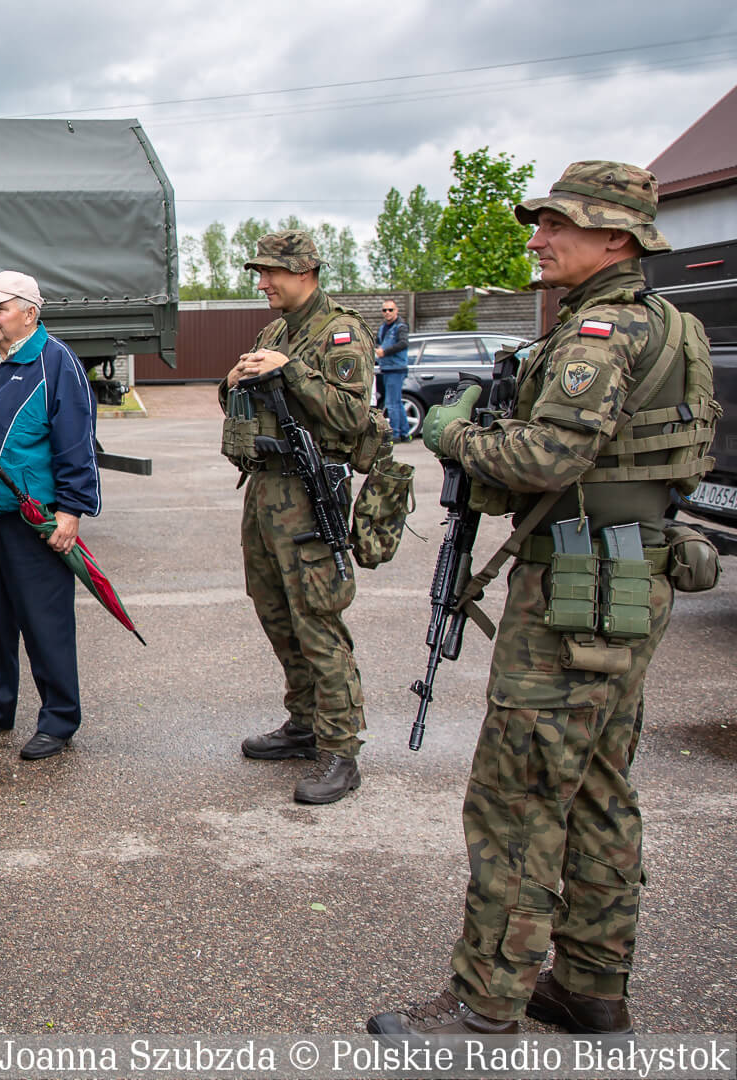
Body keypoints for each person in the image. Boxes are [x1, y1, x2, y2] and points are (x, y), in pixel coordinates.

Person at [369, 161, 712, 1037]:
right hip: (628, 579)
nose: (539, 237)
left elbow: (544, 462)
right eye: (542, 222)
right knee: (597, 787)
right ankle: (593, 986)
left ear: (618, 239)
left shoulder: (600, 334)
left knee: (517, 798)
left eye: (562, 224)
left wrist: (451, 431)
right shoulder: (672, 324)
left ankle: (485, 1003)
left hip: (577, 587)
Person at [223, 230, 375, 804]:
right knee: (274, 608)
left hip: (308, 492)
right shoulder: (274, 330)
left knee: (316, 616)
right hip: (263, 487)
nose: (262, 283)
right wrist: (231, 382)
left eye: (271, 273)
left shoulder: (340, 331)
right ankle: (304, 721)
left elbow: (352, 415)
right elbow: (241, 398)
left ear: (305, 270)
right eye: (259, 273)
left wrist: (290, 370)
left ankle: (341, 747)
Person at [0, 270, 98, 761]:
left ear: (30, 312)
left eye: (0, 309)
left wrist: (71, 510)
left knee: (44, 621)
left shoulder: (56, 362)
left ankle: (59, 719)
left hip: (33, 518)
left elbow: (76, 442)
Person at [375, 298, 412, 441]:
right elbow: (378, 343)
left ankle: (395, 434)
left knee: (391, 403)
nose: (387, 312)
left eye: (390, 310)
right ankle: (405, 433)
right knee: (396, 402)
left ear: (396, 311)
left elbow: (403, 343)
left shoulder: (401, 326)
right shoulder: (383, 327)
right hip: (386, 368)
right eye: (384, 310)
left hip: (396, 368)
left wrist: (385, 352)